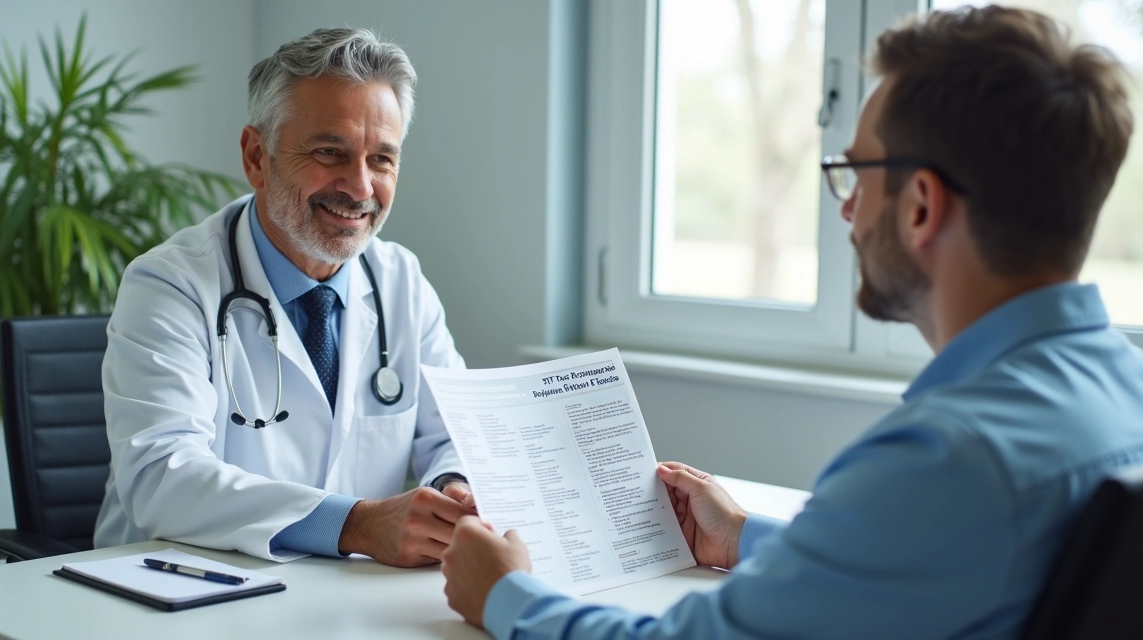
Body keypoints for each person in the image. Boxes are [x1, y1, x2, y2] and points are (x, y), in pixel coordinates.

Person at [441, 6, 1143, 638]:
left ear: (921, 206)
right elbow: (937, 559)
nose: (847, 211)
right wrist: (745, 536)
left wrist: (507, 595)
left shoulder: (946, 457)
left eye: (855, 175)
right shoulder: (1123, 391)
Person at [95, 28, 475, 567]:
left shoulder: (401, 282)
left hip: (336, 600)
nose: (361, 187)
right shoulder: (169, 285)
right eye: (330, 151)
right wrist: (356, 525)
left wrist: (455, 487)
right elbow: (161, 475)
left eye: (382, 160)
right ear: (257, 156)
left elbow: (455, 434)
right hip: (181, 590)